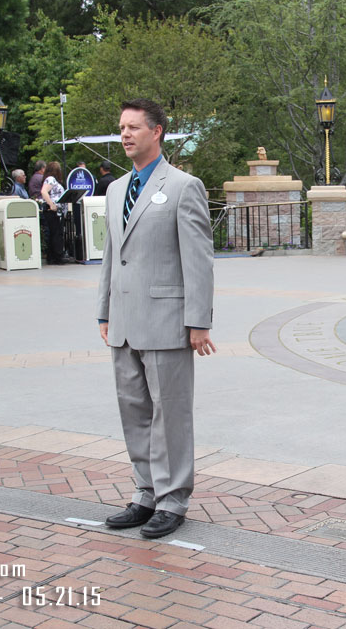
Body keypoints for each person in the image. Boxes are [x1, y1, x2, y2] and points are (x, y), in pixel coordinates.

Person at [96, 99, 215, 539]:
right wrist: (104, 311)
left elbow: (199, 260)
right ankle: (145, 493)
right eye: (121, 127)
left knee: (171, 413)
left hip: (168, 321)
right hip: (124, 322)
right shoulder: (114, 190)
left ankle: (173, 499)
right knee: (135, 411)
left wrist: (198, 321)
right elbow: (112, 256)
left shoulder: (184, 186)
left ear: (157, 131)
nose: (125, 134)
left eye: (133, 127)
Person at [40, 161, 68, 264]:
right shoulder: (51, 179)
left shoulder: (50, 179)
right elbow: (44, 191)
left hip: (55, 210)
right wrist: (51, 204)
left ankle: (52, 256)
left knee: (53, 233)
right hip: (53, 210)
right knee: (56, 233)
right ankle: (58, 256)